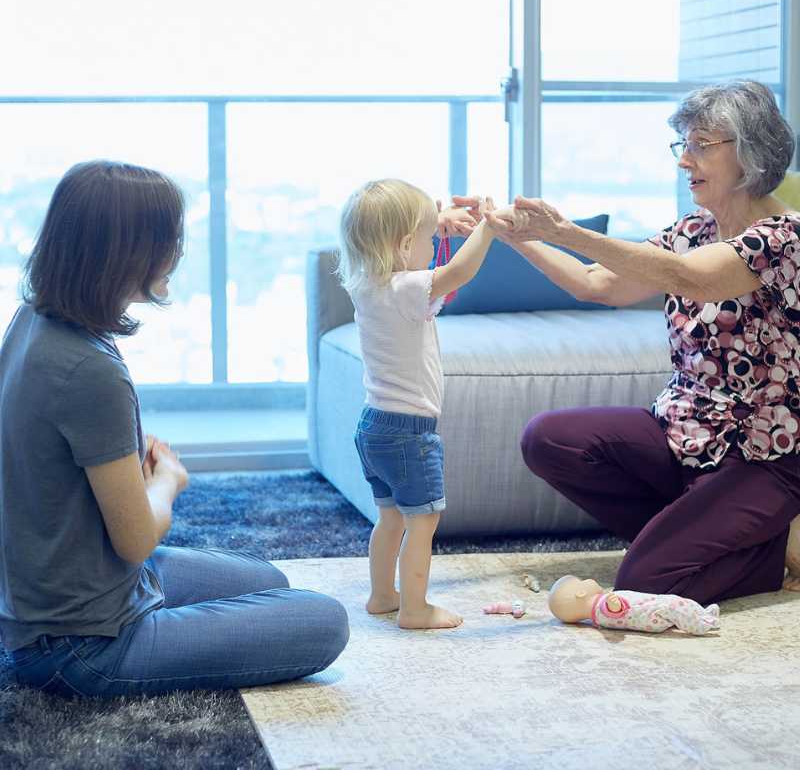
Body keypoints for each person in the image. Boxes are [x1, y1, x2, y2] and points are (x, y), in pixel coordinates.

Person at [0, 160, 349, 697]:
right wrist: (167, 481)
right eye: (171, 240)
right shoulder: (90, 369)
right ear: (128, 252)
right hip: (83, 644)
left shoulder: (34, 320)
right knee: (323, 620)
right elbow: (138, 539)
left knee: (270, 582)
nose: (178, 253)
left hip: (68, 592)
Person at [460, 79, 800, 605]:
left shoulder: (784, 240)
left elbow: (694, 279)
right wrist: (518, 236)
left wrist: (567, 230)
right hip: (683, 431)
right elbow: (598, 284)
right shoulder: (692, 229)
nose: (685, 161)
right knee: (549, 438)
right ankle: (703, 536)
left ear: (749, 150)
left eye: (700, 146)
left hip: (762, 457)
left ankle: (767, 556)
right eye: (682, 145)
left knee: (645, 581)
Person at [337, 179, 496, 629]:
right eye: (427, 237)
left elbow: (403, 250)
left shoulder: (366, 283)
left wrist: (438, 222)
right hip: (410, 432)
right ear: (405, 244)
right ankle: (415, 608)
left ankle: (382, 595)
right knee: (423, 521)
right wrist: (488, 228)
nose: (433, 242)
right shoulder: (408, 287)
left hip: (372, 426)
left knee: (390, 519)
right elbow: (460, 272)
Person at [547, 576, 720, 635]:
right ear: (581, 594)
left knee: (676, 601)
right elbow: (615, 612)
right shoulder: (601, 607)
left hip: (650, 609)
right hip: (651, 614)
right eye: (581, 581)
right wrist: (612, 604)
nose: (587, 580)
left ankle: (702, 613)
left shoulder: (597, 615)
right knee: (675, 606)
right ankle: (699, 625)